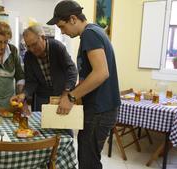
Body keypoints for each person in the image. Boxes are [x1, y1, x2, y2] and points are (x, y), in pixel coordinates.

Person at [47, 0, 121, 168]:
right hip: (100, 109)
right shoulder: (94, 31)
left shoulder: (90, 34)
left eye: (62, 27)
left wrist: (71, 97)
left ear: (73, 19)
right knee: (89, 158)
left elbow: (101, 73)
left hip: (99, 111)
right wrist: (73, 92)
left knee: (88, 162)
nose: (63, 32)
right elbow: (91, 75)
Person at [11, 25, 77, 112]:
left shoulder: (56, 47)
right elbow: (31, 81)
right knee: (40, 124)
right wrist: (24, 94)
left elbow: (71, 70)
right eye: (28, 46)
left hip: (62, 95)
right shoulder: (28, 56)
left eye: (34, 44)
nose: (32, 49)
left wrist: (67, 91)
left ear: (43, 37)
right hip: (42, 98)